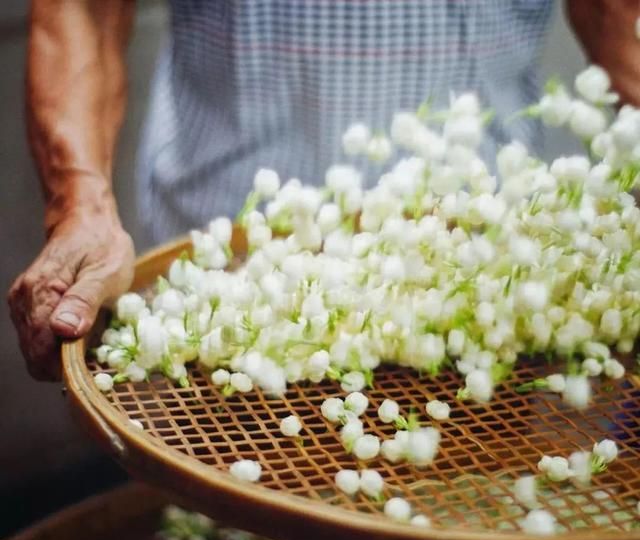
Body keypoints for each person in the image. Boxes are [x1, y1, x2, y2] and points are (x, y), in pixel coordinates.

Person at [8, 1, 640, 381]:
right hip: (228, 275)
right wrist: (79, 205)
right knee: (238, 512)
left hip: (496, 277)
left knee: (479, 510)